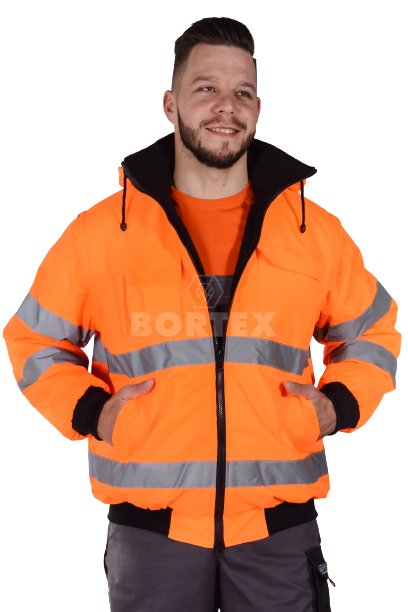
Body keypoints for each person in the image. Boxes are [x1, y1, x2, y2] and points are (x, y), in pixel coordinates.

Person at [2, 16, 401, 612]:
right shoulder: (101, 234)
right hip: (152, 531)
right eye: (206, 88)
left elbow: (372, 331)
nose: (226, 107)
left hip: (277, 525)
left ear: (258, 108)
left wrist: (339, 403)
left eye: (243, 92)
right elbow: (33, 339)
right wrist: (92, 411)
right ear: (170, 104)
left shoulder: (313, 233)